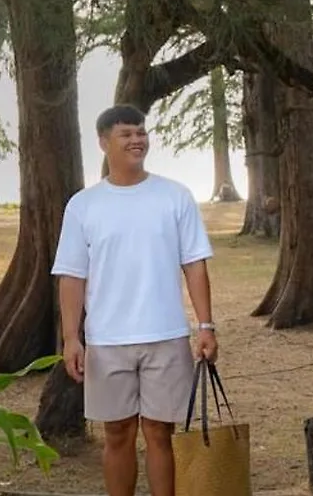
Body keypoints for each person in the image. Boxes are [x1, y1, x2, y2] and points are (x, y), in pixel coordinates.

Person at [53, 105, 219, 496]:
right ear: (103, 143)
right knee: (117, 433)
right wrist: (71, 338)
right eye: (126, 133)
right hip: (107, 340)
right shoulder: (83, 206)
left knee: (160, 433)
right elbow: (71, 277)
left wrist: (206, 326)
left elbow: (195, 265)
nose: (137, 140)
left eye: (141, 132)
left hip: (166, 336)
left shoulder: (175, 197)